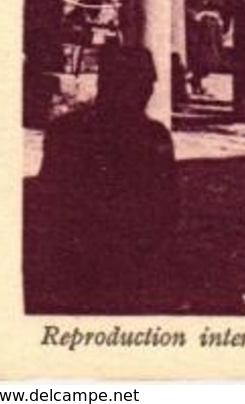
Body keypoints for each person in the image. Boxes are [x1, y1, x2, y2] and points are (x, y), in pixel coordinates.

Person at [29, 45, 178, 314]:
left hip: (73, 264)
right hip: (121, 264)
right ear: (111, 84)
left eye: (149, 84)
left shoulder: (64, 129)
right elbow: (167, 210)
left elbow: (46, 202)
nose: (148, 91)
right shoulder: (153, 137)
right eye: (143, 84)